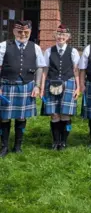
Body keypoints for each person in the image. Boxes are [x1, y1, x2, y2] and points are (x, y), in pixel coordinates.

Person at [0, 20, 46, 157]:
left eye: (26, 32)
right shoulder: (3, 46)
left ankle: (18, 146)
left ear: (30, 32)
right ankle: (4, 147)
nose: (23, 34)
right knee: (4, 118)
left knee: (21, 117)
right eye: (19, 32)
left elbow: (40, 67)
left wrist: (37, 86)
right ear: (14, 31)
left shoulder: (35, 47)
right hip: (7, 85)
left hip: (26, 86)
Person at [41, 25, 80, 150]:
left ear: (68, 37)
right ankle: (55, 141)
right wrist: (41, 87)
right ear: (55, 36)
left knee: (65, 114)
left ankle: (63, 141)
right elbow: (45, 70)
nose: (61, 37)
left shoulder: (73, 51)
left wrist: (78, 87)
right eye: (58, 35)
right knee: (54, 114)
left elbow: (76, 71)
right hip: (51, 83)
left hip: (68, 83)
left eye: (63, 35)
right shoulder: (48, 51)